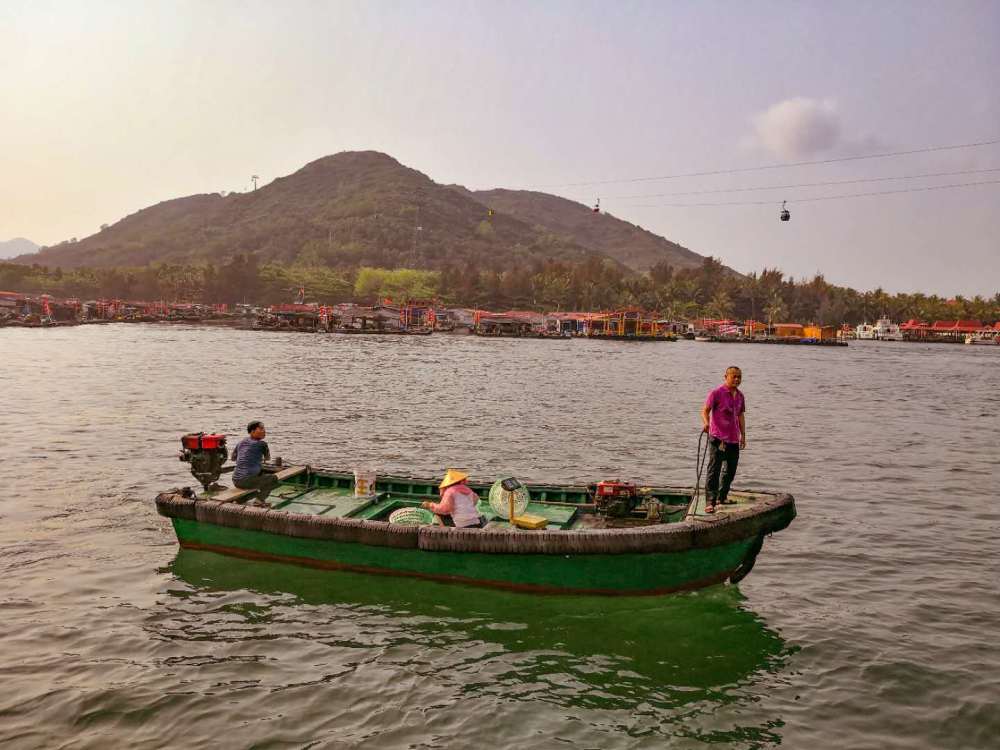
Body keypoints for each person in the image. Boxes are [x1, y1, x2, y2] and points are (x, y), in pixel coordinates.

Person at [700, 366, 746, 513]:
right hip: (718, 438)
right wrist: (706, 423)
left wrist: (743, 435)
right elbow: (704, 411)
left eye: (739, 377)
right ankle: (710, 502)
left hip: (733, 439)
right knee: (714, 469)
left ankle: (722, 496)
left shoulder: (740, 396)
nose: (737, 379)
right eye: (734, 376)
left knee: (730, 470)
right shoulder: (716, 393)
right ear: (726, 376)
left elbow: (740, 416)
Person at [231, 420, 278, 506]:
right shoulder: (262, 444)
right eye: (261, 429)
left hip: (236, 479)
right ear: (252, 431)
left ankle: (241, 499)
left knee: (260, 477)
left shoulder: (241, 442)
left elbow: (233, 458)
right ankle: (259, 501)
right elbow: (267, 459)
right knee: (273, 478)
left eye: (264, 428)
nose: (264, 431)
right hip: (246, 480)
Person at [421, 469, 486, 528]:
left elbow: (444, 509)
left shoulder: (450, 491)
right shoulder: (468, 490)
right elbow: (476, 500)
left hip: (462, 524)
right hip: (476, 522)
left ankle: (446, 533)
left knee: (438, 513)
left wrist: (430, 505)